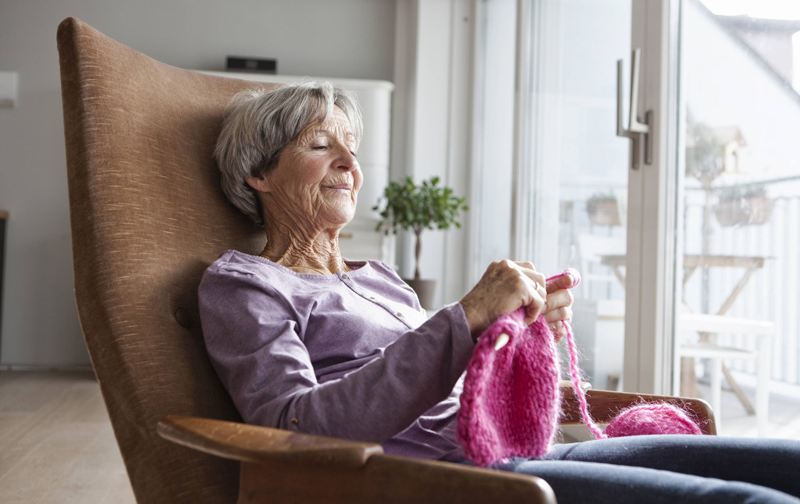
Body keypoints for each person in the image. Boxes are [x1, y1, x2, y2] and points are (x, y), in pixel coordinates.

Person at [199, 82, 800, 503]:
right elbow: (295, 423)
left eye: (351, 149)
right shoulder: (244, 284)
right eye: (319, 144)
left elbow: (451, 374)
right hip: (448, 481)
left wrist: (508, 327)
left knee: (785, 465)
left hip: (509, 452)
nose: (349, 163)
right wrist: (465, 317)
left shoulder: (377, 276)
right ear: (260, 172)